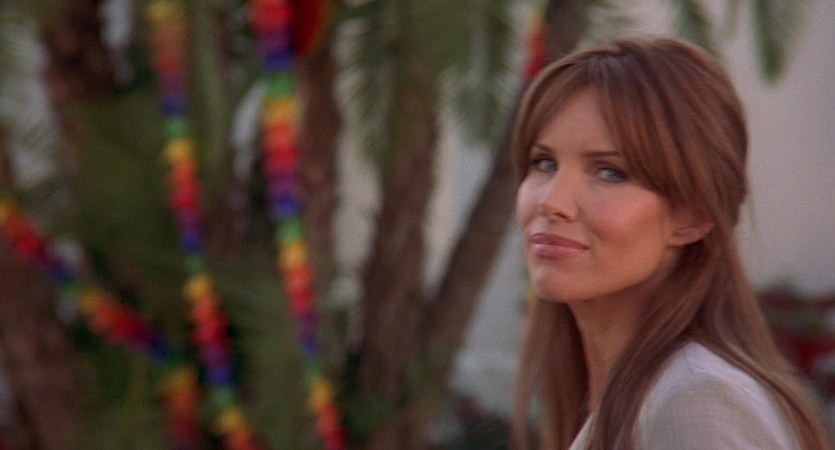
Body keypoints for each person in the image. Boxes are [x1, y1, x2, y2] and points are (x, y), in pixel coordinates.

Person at [511, 36, 831, 449]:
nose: (552, 201)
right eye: (544, 163)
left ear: (693, 217)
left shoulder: (699, 404)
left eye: (609, 172)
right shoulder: (635, 394)